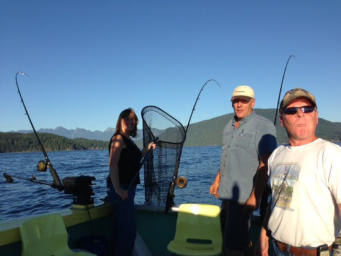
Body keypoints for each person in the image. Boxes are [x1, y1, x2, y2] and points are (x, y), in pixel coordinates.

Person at [260, 88, 341, 256]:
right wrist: (263, 233)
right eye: (291, 111)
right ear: (282, 120)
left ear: (316, 116)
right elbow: (275, 199)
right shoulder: (276, 154)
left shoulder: (331, 153)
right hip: (276, 247)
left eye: (307, 109)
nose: (300, 114)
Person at [210, 85, 277, 255]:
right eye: (235, 101)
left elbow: (266, 164)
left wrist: (255, 197)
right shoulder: (228, 126)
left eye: (243, 101)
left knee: (235, 248)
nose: (239, 104)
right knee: (227, 243)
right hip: (225, 197)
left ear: (252, 103)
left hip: (243, 200)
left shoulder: (263, 126)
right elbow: (227, 157)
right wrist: (217, 180)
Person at [107, 108, 156, 256]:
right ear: (120, 120)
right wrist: (118, 189)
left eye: (134, 119)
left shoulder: (128, 140)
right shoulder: (118, 139)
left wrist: (147, 149)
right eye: (127, 118)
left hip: (127, 191)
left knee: (125, 231)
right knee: (126, 232)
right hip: (121, 190)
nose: (131, 121)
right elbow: (113, 164)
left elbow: (135, 158)